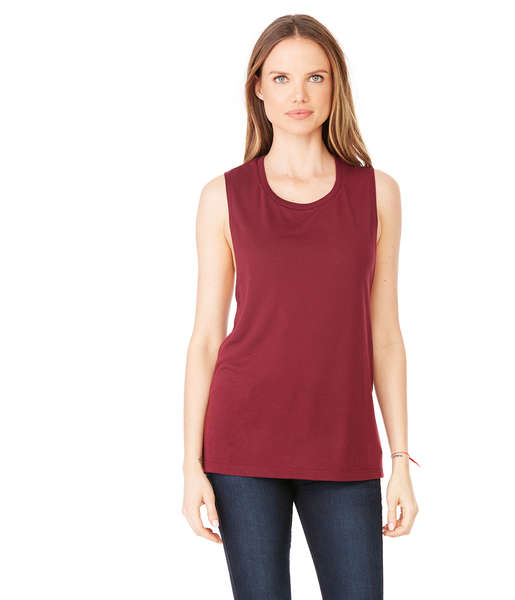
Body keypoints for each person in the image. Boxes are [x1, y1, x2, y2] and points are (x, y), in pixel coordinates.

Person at [182, 14, 419, 600]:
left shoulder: (377, 193)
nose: (299, 95)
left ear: (335, 86)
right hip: (241, 445)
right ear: (258, 89)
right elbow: (207, 338)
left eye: (315, 78)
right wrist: (191, 466)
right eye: (281, 78)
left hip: (343, 446)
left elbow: (385, 336)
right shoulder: (223, 197)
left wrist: (400, 459)